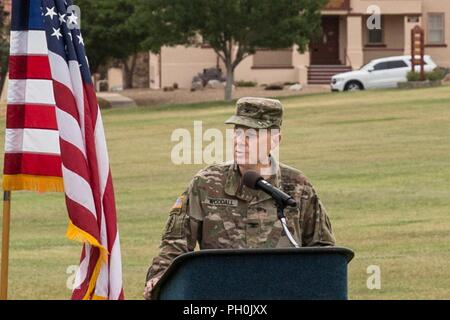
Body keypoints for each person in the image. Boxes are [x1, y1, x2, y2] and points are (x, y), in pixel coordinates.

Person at [144, 97, 335, 299]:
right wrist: (159, 277)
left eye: (251, 135)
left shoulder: (297, 186)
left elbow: (322, 250)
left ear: (275, 140)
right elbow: (176, 242)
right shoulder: (207, 183)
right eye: (237, 132)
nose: (239, 141)